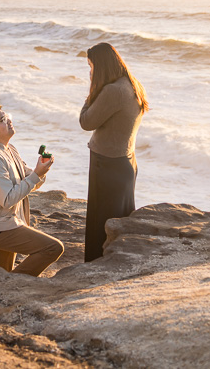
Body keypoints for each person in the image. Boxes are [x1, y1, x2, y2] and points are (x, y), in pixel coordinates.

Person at [0, 105, 64, 276]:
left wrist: (41, 171)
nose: (9, 121)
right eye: (2, 120)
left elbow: (28, 178)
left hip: (6, 221)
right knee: (53, 248)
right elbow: (7, 199)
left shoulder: (9, 149)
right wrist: (36, 174)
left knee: (1, 273)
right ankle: (16, 285)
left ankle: (2, 288)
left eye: (7, 116)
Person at [79, 42, 149, 262]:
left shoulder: (112, 91)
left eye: (91, 67)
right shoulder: (132, 84)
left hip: (107, 164)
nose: (90, 72)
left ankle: (95, 269)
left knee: (101, 225)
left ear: (101, 67)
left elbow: (86, 121)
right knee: (120, 221)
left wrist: (90, 94)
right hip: (126, 162)